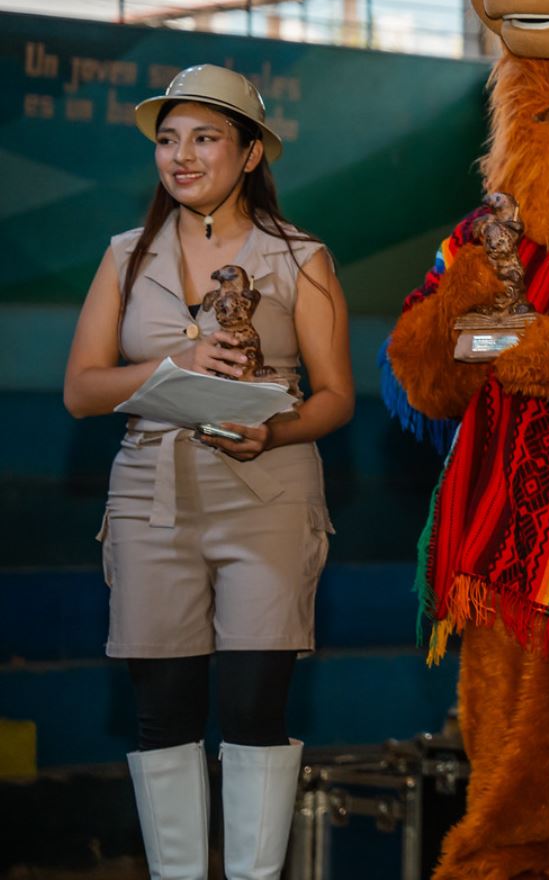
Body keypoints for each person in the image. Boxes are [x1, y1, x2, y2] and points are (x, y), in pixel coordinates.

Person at [63, 65, 353, 880]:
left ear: (251, 152)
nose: (181, 156)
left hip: (267, 495)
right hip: (150, 502)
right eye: (167, 139)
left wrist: (276, 432)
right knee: (164, 720)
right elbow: (82, 390)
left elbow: (335, 398)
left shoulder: (301, 258)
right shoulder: (125, 256)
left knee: (256, 715)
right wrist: (177, 361)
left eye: (204, 138)